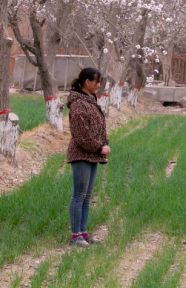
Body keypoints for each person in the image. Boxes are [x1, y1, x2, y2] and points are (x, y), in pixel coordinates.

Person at [66, 67, 110, 247]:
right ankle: (75, 236)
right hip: (81, 154)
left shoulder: (90, 101)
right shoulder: (78, 105)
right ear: (87, 82)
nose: (99, 85)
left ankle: (83, 233)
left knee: (87, 196)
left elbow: (98, 127)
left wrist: (103, 144)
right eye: (97, 82)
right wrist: (99, 148)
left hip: (92, 155)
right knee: (79, 195)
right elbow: (81, 135)